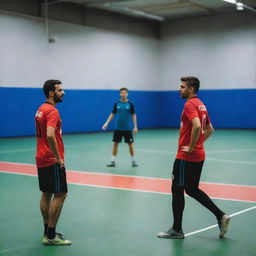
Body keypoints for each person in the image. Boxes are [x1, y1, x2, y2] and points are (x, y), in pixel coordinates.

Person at [158, 76, 230, 239]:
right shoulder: (201, 105)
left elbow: (198, 125)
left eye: (182, 87)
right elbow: (210, 129)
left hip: (186, 156)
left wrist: (191, 147)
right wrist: (198, 144)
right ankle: (220, 216)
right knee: (191, 189)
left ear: (191, 89)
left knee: (177, 189)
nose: (179, 89)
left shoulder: (190, 104)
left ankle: (177, 229)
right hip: (199, 155)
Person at [35, 79, 71, 246]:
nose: (62, 92)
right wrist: (58, 158)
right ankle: (50, 235)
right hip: (51, 159)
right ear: (51, 93)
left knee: (46, 193)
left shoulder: (41, 109)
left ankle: (47, 231)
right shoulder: (52, 111)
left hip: (41, 157)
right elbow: (50, 135)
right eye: (60, 90)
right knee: (61, 194)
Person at [102, 87, 138, 167]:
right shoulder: (117, 104)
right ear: (120, 94)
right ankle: (112, 161)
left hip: (127, 129)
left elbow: (133, 115)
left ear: (127, 94)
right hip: (118, 128)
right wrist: (106, 123)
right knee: (115, 144)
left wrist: (135, 126)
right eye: (122, 92)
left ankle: (133, 161)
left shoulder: (130, 104)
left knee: (130, 145)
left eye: (125, 92)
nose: (123, 94)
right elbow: (112, 114)